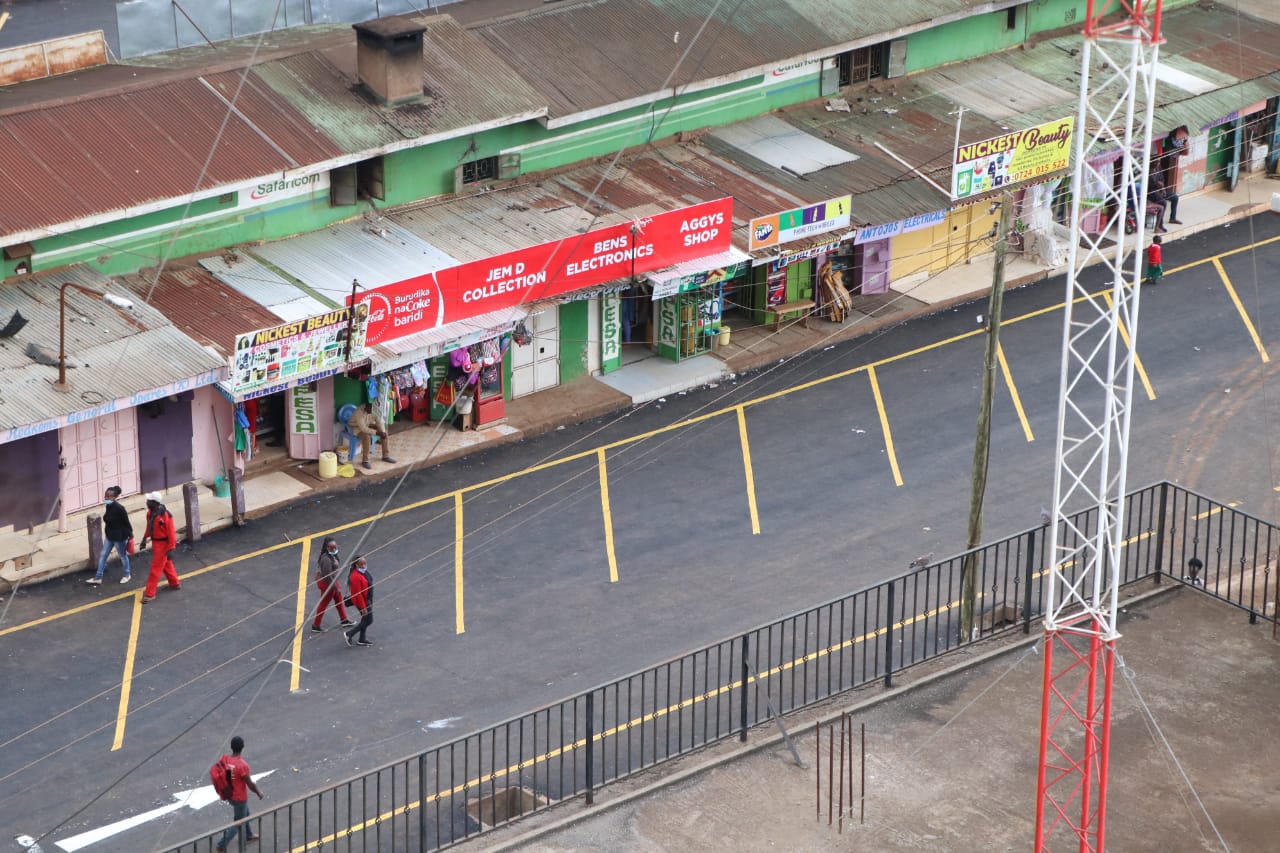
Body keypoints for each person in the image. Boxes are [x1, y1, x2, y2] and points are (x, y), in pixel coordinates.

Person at [215, 735, 263, 853]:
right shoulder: (242, 765)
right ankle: (221, 845)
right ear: (243, 747)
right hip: (239, 797)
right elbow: (250, 784)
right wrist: (259, 792)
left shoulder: (225, 758)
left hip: (229, 794)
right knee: (238, 823)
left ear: (231, 747)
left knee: (245, 814)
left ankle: (248, 834)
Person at [140, 492, 180, 602]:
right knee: (166, 564)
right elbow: (149, 527)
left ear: (154, 503)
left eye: (148, 501)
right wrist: (144, 539)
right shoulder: (150, 513)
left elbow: (171, 533)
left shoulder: (166, 516)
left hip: (164, 545)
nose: (146, 502)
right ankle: (174, 583)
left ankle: (150, 594)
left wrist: (171, 548)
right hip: (156, 543)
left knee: (155, 569)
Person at [88, 485, 133, 585]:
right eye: (105, 496)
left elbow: (126, 522)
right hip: (110, 536)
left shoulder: (119, 508)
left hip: (119, 538)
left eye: (108, 496)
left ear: (114, 497)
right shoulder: (109, 506)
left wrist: (130, 534)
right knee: (103, 555)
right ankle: (98, 577)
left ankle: (127, 574)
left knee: (122, 556)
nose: (106, 498)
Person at [312, 537, 354, 633]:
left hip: (332, 581)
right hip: (328, 584)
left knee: (339, 600)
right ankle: (316, 625)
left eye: (335, 547)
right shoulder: (326, 559)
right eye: (332, 548)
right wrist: (335, 587)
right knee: (324, 604)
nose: (334, 549)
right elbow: (327, 576)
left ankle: (344, 619)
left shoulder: (331, 555)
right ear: (327, 547)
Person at [349, 402, 396, 470]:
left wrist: (382, 432)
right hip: (357, 429)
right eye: (370, 409)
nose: (372, 411)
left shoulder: (374, 409)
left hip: (367, 425)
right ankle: (365, 461)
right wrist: (377, 433)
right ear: (366, 407)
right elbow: (363, 429)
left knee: (385, 432)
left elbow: (379, 421)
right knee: (367, 437)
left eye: (373, 409)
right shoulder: (358, 413)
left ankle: (386, 456)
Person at [343, 557, 374, 647]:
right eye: (362, 564)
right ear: (356, 565)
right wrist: (363, 608)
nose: (364, 566)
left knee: (365, 620)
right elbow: (358, 594)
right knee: (368, 620)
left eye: (365, 563)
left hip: (367, 600)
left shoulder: (362, 572)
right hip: (363, 603)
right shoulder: (355, 577)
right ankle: (349, 634)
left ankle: (362, 639)